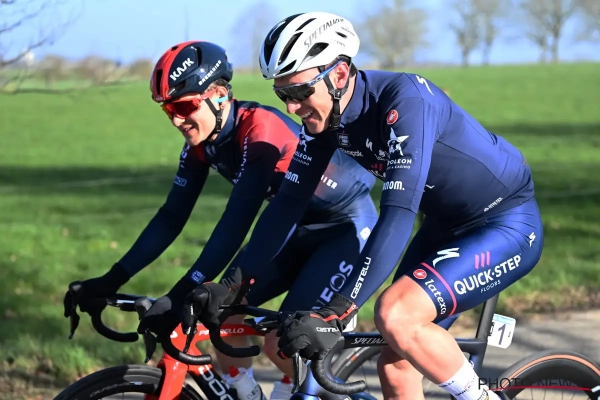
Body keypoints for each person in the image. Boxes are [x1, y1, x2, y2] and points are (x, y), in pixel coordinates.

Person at [181, 12, 544, 400]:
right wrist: (232, 285)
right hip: (444, 224)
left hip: (504, 222)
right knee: (396, 365)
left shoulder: (405, 102)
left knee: (395, 314)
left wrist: (337, 312)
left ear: (338, 75)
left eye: (300, 92)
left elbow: (398, 212)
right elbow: (287, 204)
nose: (291, 108)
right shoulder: (327, 119)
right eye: (283, 95)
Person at [62, 40, 379, 398]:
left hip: (343, 230)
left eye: (184, 106)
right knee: (221, 315)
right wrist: (110, 280)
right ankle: (247, 393)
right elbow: (171, 217)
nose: (177, 120)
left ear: (219, 95)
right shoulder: (201, 143)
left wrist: (179, 293)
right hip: (289, 233)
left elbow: (235, 223)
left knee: (284, 342)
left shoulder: (261, 132)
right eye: (168, 110)